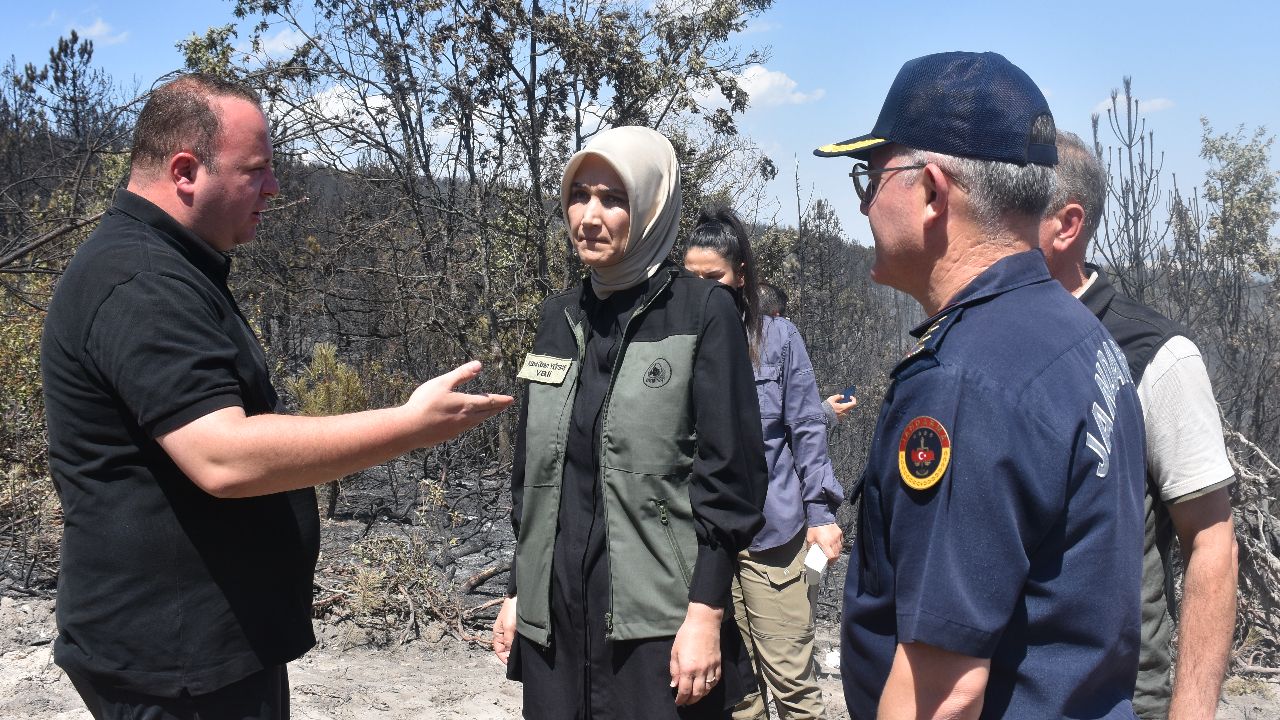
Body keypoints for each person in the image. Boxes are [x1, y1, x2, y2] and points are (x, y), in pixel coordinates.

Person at [40, 74, 512, 719]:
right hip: (173, 664)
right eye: (256, 170)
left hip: (200, 651)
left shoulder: (170, 266)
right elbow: (224, 456)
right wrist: (409, 425)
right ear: (185, 171)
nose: (274, 188)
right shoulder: (140, 281)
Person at [813, 51, 1146, 718]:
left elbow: (943, 690)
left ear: (933, 192)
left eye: (870, 179)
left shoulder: (967, 383)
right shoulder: (1076, 332)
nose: (864, 206)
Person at [491, 126, 768, 719]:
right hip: (557, 618)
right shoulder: (557, 318)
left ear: (650, 206)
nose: (589, 216)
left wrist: (705, 614)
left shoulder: (703, 312)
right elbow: (533, 473)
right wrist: (518, 589)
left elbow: (733, 479)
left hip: (656, 622)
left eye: (612, 199)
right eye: (578, 195)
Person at [1040, 131, 1238, 720]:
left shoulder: (1157, 356)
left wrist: (1191, 712)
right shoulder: (988, 340)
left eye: (1015, 208)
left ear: (1067, 225)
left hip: (1120, 699)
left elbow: (1212, 541)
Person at [683, 208, 844, 720]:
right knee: (737, 693)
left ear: (741, 275)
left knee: (792, 682)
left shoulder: (778, 339)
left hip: (771, 535)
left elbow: (806, 427)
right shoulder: (677, 342)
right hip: (704, 543)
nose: (705, 289)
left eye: (716, 278)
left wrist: (821, 514)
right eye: (693, 279)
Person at [758, 282, 856, 426]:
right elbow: (795, 420)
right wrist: (827, 414)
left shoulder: (725, 343)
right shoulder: (786, 338)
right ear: (776, 317)